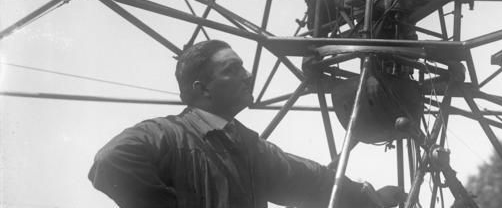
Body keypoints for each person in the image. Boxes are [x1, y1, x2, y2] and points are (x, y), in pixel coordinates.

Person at [89, 39, 405, 208]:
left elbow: (312, 180)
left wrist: (367, 197)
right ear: (201, 88)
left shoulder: (248, 147)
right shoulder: (165, 134)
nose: (248, 75)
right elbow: (111, 162)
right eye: (232, 69)